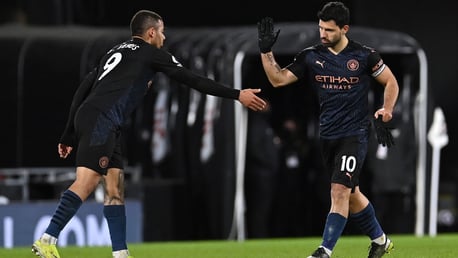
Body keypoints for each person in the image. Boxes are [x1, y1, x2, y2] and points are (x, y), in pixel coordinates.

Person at [32, 10, 266, 258]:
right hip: (103, 120)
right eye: (162, 31)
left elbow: (84, 87)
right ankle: (48, 238)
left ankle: (121, 253)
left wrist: (68, 132)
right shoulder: (152, 54)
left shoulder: (115, 51)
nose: (164, 37)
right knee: (87, 182)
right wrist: (237, 94)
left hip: (97, 118)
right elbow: (192, 79)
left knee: (114, 189)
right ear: (151, 32)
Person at [257, 2, 398, 258]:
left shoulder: (365, 56)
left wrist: (386, 109)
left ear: (344, 29)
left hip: (354, 134)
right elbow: (277, 80)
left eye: (329, 30)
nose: (322, 34)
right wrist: (266, 51)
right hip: (327, 136)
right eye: (320, 28)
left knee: (339, 190)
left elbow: (390, 81)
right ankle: (380, 240)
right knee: (352, 194)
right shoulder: (312, 56)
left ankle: (325, 250)